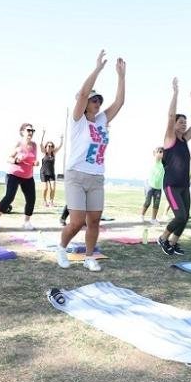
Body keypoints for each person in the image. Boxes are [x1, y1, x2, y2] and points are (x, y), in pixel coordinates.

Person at [54, 50, 126, 271]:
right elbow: (84, 92)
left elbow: (119, 102)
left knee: (94, 221)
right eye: (93, 100)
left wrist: (121, 77)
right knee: (76, 221)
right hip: (76, 175)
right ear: (85, 103)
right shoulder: (77, 121)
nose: (96, 103)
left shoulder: (102, 119)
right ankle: (61, 248)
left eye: (98, 100)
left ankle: (89, 256)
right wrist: (98, 69)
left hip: (96, 176)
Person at [157, 77, 191, 256]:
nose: (183, 124)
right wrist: (175, 93)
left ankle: (173, 243)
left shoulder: (184, 139)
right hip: (171, 186)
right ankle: (163, 238)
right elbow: (170, 116)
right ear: (174, 125)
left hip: (184, 186)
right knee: (180, 216)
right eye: (180, 122)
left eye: (184, 122)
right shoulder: (170, 139)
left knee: (186, 217)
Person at [0, 122, 39, 230]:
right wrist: (16, 160)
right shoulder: (18, 144)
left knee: (31, 199)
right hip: (14, 174)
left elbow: (33, 159)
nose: (31, 132)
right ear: (22, 132)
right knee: (9, 197)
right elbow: (8, 158)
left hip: (28, 176)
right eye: (28, 130)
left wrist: (36, 162)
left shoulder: (34, 145)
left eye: (32, 131)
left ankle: (26, 222)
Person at [39, 129, 64, 207]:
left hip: (51, 173)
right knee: (45, 188)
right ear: (46, 147)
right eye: (49, 146)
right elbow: (40, 144)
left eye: (52, 146)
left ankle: (51, 202)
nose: (50, 147)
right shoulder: (44, 153)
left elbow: (60, 146)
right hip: (43, 173)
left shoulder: (54, 153)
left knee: (53, 188)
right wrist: (43, 134)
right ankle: (44, 201)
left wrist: (61, 139)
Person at [141, 147, 165, 224]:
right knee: (147, 202)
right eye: (160, 152)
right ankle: (142, 215)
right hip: (150, 185)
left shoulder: (164, 163)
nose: (162, 153)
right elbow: (156, 155)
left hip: (158, 187)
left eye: (163, 152)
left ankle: (153, 219)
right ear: (155, 153)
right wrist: (157, 153)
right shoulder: (155, 160)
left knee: (156, 204)